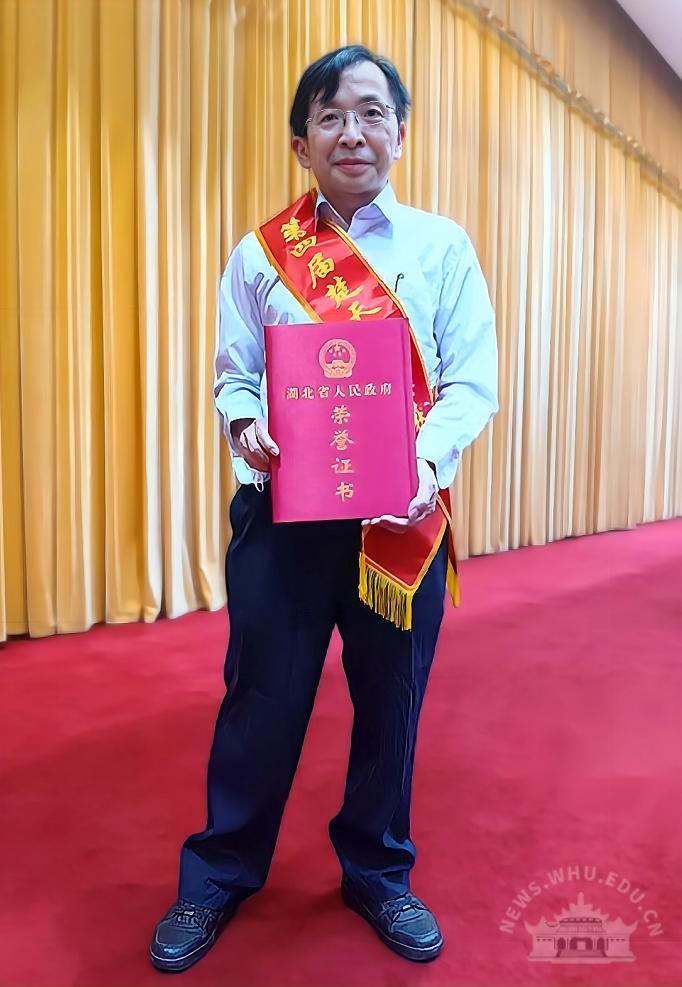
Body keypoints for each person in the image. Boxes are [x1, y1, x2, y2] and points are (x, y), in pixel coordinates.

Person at [149, 44, 498, 973]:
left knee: (393, 701)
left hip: (400, 523)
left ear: (400, 133)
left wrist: (425, 460)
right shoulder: (260, 254)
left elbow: (472, 382)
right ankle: (218, 874)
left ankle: (378, 871)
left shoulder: (442, 247)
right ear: (301, 143)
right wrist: (246, 423)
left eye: (372, 112)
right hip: (284, 521)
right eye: (331, 115)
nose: (353, 132)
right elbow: (235, 376)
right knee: (260, 699)